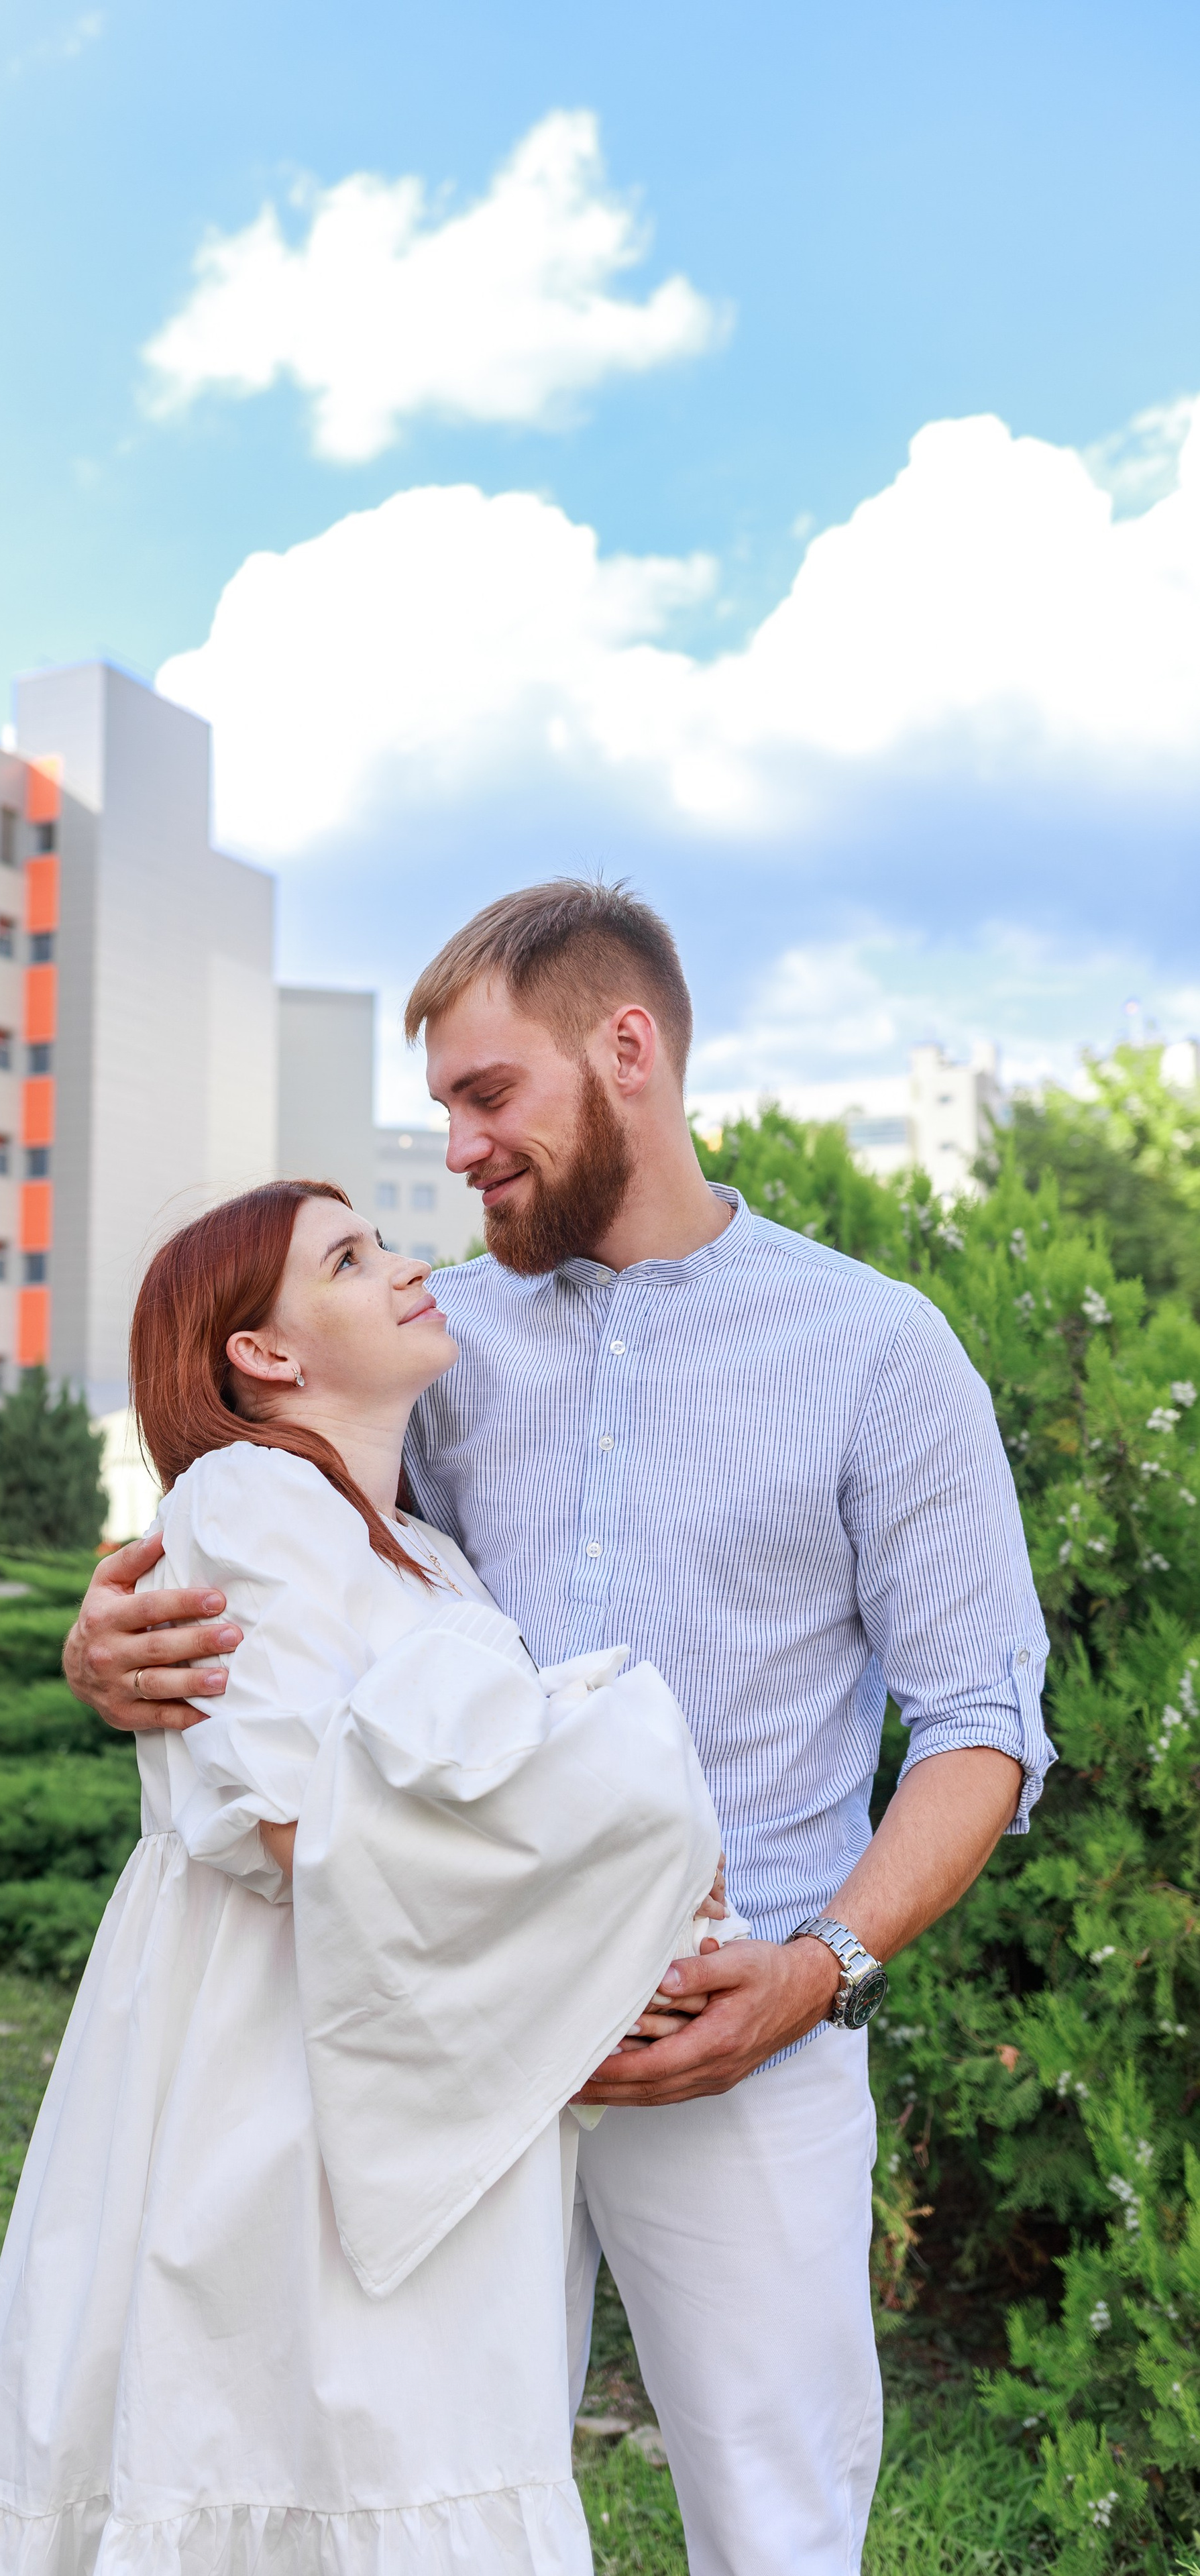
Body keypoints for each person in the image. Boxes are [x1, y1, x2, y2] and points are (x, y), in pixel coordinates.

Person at [64, 880, 1056, 2576]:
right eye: (444, 1106)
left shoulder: (877, 1352)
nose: (456, 1149)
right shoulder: (429, 1341)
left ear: (626, 1050)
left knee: (776, 2533)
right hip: (445, 2046)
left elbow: (980, 1725)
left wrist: (816, 1971)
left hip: (730, 2038)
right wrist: (106, 1645)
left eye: (486, 1094)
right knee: (413, 2515)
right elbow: (291, 1576)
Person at [0, 1177, 739, 2576]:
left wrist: (633, 1874)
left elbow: (471, 1803)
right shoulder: (245, 1497)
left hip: (404, 2040)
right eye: (350, 1258)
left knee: (404, 2444)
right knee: (284, 2434)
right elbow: (307, 1819)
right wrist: (637, 1814)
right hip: (275, 2058)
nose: (407, 1266)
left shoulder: (425, 1554)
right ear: (264, 1353)